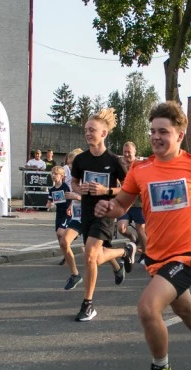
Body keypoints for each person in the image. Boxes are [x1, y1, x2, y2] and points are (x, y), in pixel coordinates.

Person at [93, 101, 191, 370]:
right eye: (153, 131)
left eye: (164, 132)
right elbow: (122, 205)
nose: (156, 137)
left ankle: (161, 367)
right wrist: (109, 208)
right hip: (157, 254)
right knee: (185, 309)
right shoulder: (140, 169)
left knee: (148, 307)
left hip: (189, 253)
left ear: (179, 135)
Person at [70, 108, 136, 322]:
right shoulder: (80, 160)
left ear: (104, 133)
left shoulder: (114, 161)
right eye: (86, 129)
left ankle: (88, 305)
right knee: (96, 257)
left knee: (89, 255)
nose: (88, 133)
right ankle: (123, 252)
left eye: (92, 130)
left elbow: (128, 189)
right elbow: (74, 181)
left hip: (106, 213)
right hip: (87, 212)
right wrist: (79, 189)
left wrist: (105, 191)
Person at [46, 166, 80, 290]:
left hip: (66, 212)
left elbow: (71, 198)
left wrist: (71, 206)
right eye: (52, 174)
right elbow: (49, 201)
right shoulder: (51, 189)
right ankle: (67, 255)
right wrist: (48, 205)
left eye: (56, 174)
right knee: (58, 235)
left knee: (61, 233)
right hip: (58, 214)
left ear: (61, 176)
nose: (54, 175)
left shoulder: (65, 187)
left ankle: (70, 241)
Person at [116, 141, 147, 258]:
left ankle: (145, 254)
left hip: (138, 204)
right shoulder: (120, 165)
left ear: (134, 152)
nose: (126, 154)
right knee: (121, 228)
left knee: (141, 230)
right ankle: (132, 238)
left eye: (129, 152)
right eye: (124, 152)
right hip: (124, 203)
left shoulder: (140, 165)